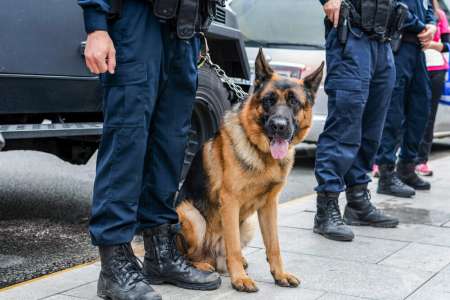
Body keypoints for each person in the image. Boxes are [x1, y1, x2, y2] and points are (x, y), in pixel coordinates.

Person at [77, 0, 222, 299]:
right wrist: (97, 26)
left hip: (185, 28)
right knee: (127, 142)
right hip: (137, 20)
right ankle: (114, 266)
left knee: (170, 142)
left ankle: (160, 254)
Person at [313, 0, 400, 242]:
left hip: (382, 41)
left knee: (372, 129)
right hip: (352, 35)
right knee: (344, 126)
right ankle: (325, 209)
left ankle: (358, 201)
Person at [376, 0, 436, 198]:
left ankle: (407, 168)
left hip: (417, 51)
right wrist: (422, 27)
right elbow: (393, 7)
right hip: (397, 47)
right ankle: (386, 174)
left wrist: (432, 24)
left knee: (421, 109)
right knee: (393, 114)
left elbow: (429, 8)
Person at [416, 0, 450, 176]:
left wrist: (435, 46)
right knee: (405, 114)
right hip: (414, 66)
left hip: (437, 70)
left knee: (429, 117)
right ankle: (387, 161)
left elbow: (448, 45)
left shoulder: (440, 15)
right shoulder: (409, 9)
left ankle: (422, 161)